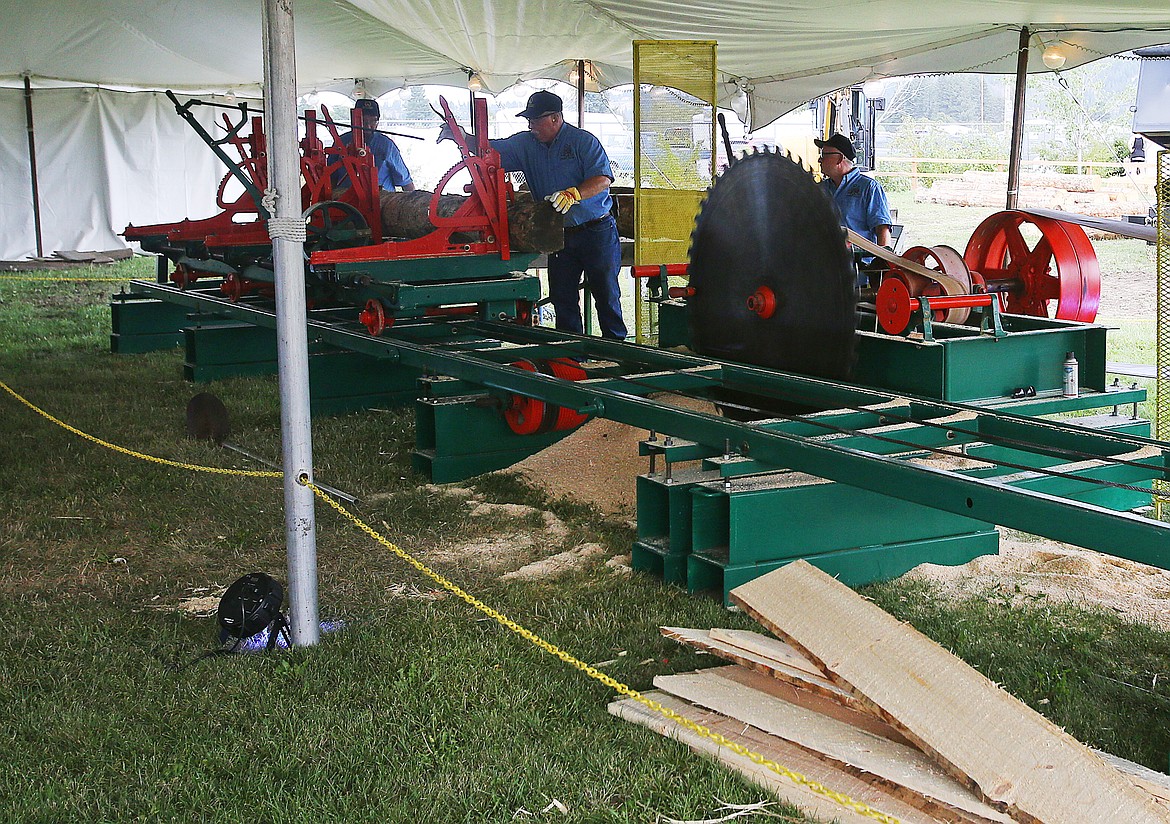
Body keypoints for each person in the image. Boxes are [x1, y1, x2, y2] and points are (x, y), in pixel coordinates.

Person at [442, 90, 627, 340]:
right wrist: (462, 137)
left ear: (555, 118)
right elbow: (489, 150)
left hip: (596, 231)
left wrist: (574, 193)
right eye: (529, 120)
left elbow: (603, 179)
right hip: (558, 234)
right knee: (563, 297)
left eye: (536, 120)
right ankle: (571, 356)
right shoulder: (526, 144)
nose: (531, 126)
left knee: (606, 293)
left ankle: (617, 351)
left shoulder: (583, 141)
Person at [815, 133, 891, 248]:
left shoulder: (869, 188)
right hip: (824, 262)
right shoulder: (819, 189)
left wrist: (883, 261)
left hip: (860, 263)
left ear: (839, 158)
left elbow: (882, 229)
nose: (819, 159)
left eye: (824, 155)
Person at [333, 98, 415, 192]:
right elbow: (330, 178)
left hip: (382, 202)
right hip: (345, 203)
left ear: (378, 122)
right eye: (363, 121)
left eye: (373, 121)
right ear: (354, 120)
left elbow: (406, 183)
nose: (368, 126)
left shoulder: (386, 145)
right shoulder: (341, 142)